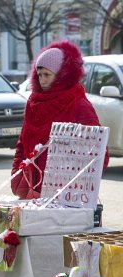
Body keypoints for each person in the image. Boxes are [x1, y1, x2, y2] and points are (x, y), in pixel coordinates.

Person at [11, 41, 109, 199]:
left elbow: (99, 154)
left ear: (62, 75)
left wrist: (75, 189)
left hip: (66, 198)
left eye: (47, 75)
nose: (42, 80)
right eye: (39, 75)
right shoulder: (34, 103)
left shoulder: (79, 105)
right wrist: (17, 179)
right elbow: (22, 144)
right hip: (31, 192)